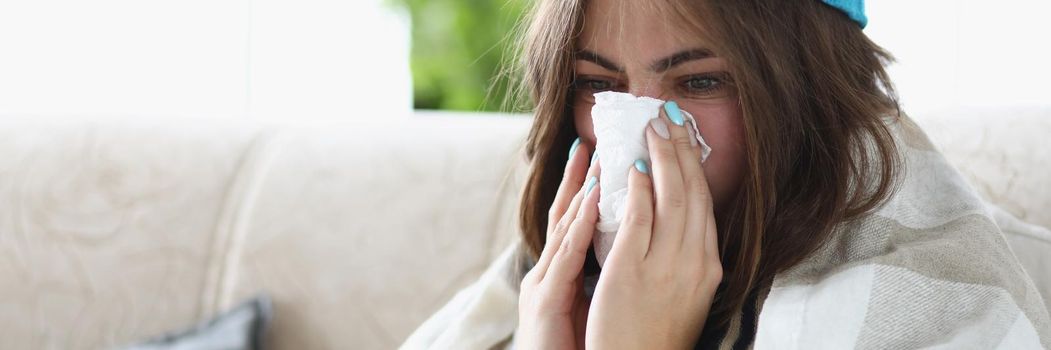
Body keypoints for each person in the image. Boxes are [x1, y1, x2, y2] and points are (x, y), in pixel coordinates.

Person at [403, 1, 1051, 348]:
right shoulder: (549, 276)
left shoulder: (927, 293)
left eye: (702, 81)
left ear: (805, 91)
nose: (638, 132)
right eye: (597, 85)